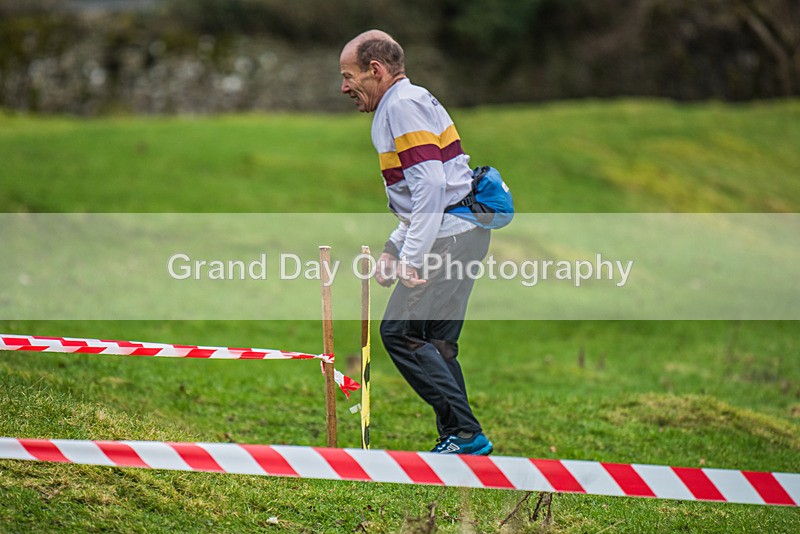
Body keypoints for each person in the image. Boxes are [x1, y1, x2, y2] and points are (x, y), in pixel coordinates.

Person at [339, 30, 493, 455]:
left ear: (375, 70)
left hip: (449, 237)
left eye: (348, 76)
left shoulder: (401, 106)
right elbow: (426, 192)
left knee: (400, 332)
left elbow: (431, 186)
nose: (344, 87)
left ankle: (465, 433)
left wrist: (410, 258)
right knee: (437, 343)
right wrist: (394, 248)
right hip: (463, 233)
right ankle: (460, 438)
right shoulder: (409, 100)